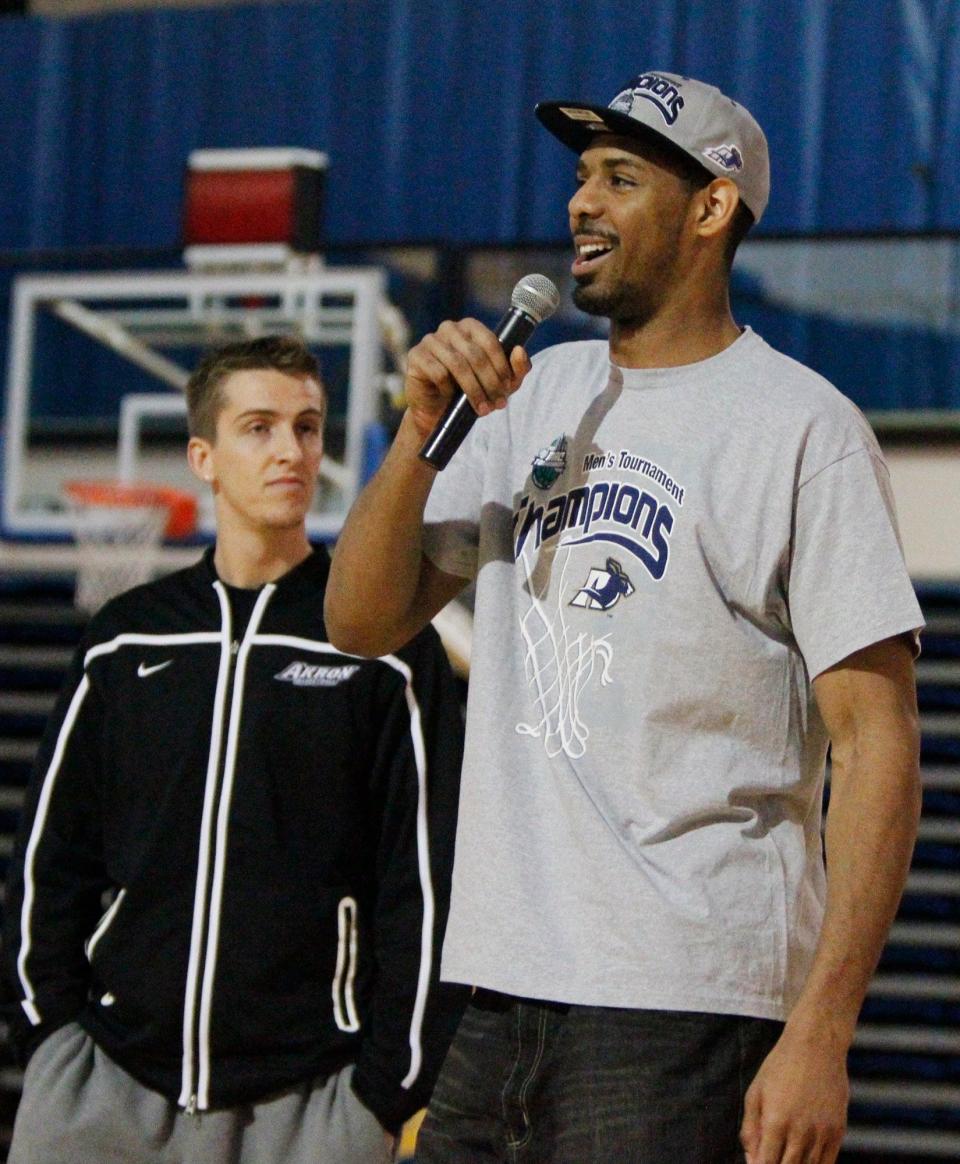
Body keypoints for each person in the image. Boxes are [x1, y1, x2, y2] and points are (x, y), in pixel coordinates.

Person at [323, 71, 924, 1164]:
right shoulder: (530, 397)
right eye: (581, 179)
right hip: (500, 988)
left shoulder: (803, 430)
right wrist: (420, 434)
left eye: (620, 178)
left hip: (686, 999)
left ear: (709, 209)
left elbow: (876, 743)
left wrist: (822, 1029)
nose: (580, 205)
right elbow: (357, 622)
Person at [3, 335, 467, 1164]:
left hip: (311, 1106)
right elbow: (51, 855)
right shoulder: (124, 639)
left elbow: (425, 881)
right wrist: (47, 1037)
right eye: (258, 427)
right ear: (203, 457)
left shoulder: (383, 642)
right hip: (102, 1090)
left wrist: (386, 1088)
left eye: (307, 427)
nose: (290, 450)